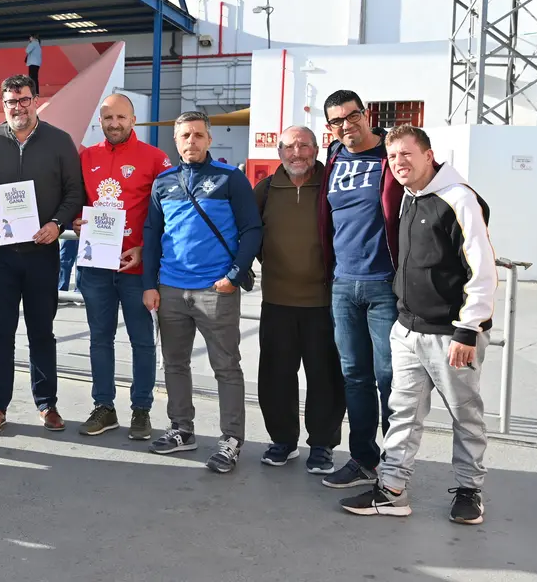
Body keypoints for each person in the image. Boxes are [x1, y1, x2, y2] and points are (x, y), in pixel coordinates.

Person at [341, 125, 496, 525]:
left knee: (466, 416)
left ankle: (469, 491)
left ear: (429, 156)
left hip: (451, 336)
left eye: (407, 154)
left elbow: (482, 269)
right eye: (393, 158)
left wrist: (468, 329)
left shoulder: (459, 199)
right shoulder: (409, 197)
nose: (399, 163)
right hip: (407, 330)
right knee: (403, 413)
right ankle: (392, 490)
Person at [143, 110, 262, 474]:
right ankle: (182, 429)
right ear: (175, 141)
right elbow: (151, 235)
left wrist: (234, 274)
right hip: (171, 288)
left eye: (197, 135)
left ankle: (230, 439)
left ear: (209, 139)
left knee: (226, 366)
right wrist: (150, 283)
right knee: (174, 363)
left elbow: (252, 229)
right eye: (184, 136)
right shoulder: (163, 182)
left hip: (216, 289)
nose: (191, 142)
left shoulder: (231, 178)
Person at [0, 74, 83, 434]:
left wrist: (57, 224)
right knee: (0, 333)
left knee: (41, 331)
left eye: (24, 100)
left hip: (41, 251)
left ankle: (47, 404)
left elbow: (74, 193)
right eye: (11, 102)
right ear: (4, 105)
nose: (18, 107)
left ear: (36, 101)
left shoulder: (59, 142)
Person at [318, 90, 404, 490]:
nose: (346, 125)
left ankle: (395, 464)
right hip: (343, 284)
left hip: (384, 283)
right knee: (354, 375)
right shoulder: (333, 160)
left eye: (352, 116)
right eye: (337, 121)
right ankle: (363, 458)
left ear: (366, 114)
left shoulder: (391, 155)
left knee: (389, 377)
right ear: (330, 127)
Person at [72, 93, 171, 440]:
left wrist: (145, 249)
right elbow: (75, 200)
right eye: (108, 118)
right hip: (96, 266)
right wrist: (75, 220)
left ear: (133, 120)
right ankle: (104, 407)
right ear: (100, 121)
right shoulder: (86, 157)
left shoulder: (156, 159)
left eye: (121, 117)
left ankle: (141, 409)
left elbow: (167, 214)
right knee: (100, 339)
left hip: (136, 269)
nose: (114, 124)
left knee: (142, 340)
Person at [253, 126, 346, 471]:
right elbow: (250, 233)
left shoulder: (332, 185)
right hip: (277, 299)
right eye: (290, 147)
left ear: (316, 149)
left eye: (304, 146)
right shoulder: (265, 189)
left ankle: (322, 444)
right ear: (279, 152)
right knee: (276, 374)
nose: (297, 153)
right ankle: (282, 440)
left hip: (324, 301)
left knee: (325, 376)